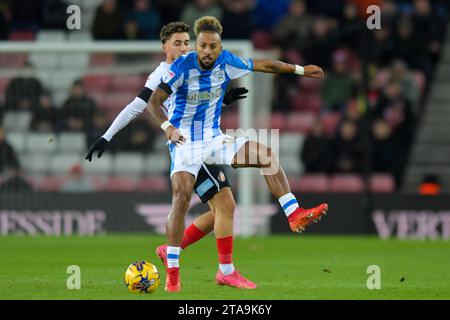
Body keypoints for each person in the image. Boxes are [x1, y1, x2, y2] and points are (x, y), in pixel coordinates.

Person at [146, 16, 328, 292]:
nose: (208, 51)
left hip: (215, 139)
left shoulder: (227, 61)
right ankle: (173, 270)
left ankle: (293, 213)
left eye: (213, 47)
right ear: (197, 45)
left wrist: (300, 70)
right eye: (203, 46)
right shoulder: (181, 66)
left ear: (220, 47)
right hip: (185, 143)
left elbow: (266, 64)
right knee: (182, 199)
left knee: (265, 156)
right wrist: (168, 127)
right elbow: (154, 102)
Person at [85, 21, 250, 290]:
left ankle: (170, 249)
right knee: (223, 206)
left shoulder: (194, 66)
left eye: (187, 42)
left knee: (222, 209)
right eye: (178, 43)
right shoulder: (161, 74)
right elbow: (136, 107)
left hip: (203, 141)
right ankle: (190, 266)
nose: (184, 47)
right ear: (165, 47)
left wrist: (225, 98)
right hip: (186, 146)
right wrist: (107, 136)